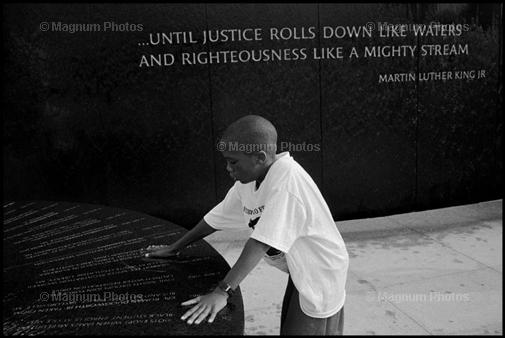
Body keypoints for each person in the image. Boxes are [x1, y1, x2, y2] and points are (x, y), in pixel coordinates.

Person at [144, 115, 349, 335]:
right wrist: (175, 248)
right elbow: (214, 219)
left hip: (320, 271)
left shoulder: (287, 183)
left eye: (233, 161)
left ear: (260, 157)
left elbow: (260, 243)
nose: (228, 168)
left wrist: (222, 292)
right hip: (299, 267)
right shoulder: (247, 182)